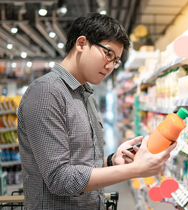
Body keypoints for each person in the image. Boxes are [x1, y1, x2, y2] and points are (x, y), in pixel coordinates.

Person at [18, 12, 176, 209]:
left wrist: (111, 161)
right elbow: (60, 179)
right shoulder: (46, 92)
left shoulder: (87, 96)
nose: (110, 66)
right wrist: (136, 169)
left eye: (116, 60)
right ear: (81, 43)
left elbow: (80, 165)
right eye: (108, 54)